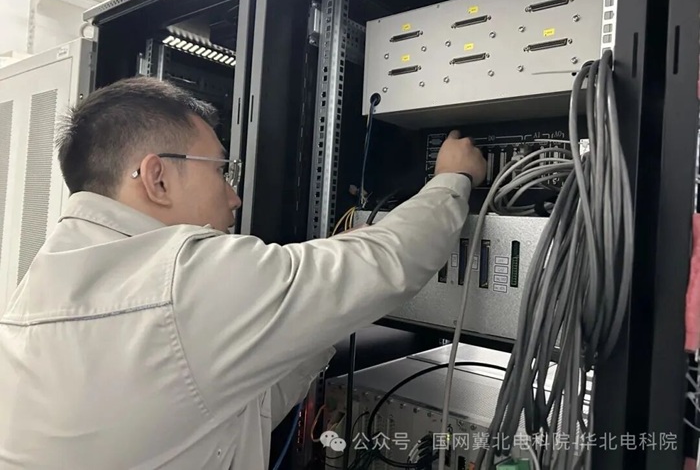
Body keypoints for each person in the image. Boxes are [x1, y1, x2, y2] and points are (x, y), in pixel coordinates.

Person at [0, 77, 486, 469]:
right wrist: (453, 177)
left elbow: (224, 415)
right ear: (157, 178)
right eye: (221, 171)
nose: (234, 196)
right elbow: (389, 261)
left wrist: (317, 319)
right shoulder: (180, 277)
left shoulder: (43, 282)